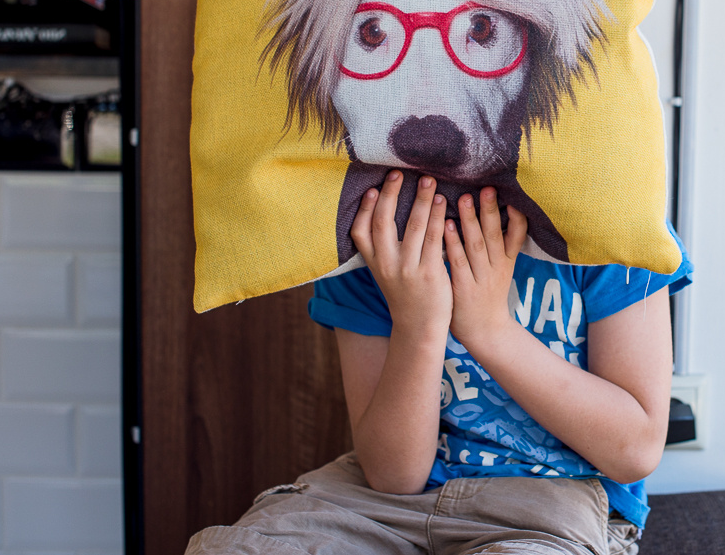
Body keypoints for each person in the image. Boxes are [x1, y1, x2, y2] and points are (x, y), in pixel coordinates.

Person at [185, 170, 692, 555]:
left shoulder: (611, 231)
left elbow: (634, 450)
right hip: (380, 505)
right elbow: (394, 478)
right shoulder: (370, 246)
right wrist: (419, 324)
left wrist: (490, 330)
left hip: (554, 503)